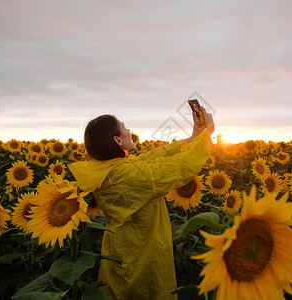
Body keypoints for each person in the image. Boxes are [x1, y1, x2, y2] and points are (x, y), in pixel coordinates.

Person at [68, 106, 215, 300]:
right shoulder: (127, 176)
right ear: (117, 140)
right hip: (141, 256)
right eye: (124, 127)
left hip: (121, 250)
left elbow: (153, 157)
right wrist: (207, 135)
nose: (129, 131)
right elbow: (179, 168)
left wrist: (195, 136)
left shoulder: (111, 170)